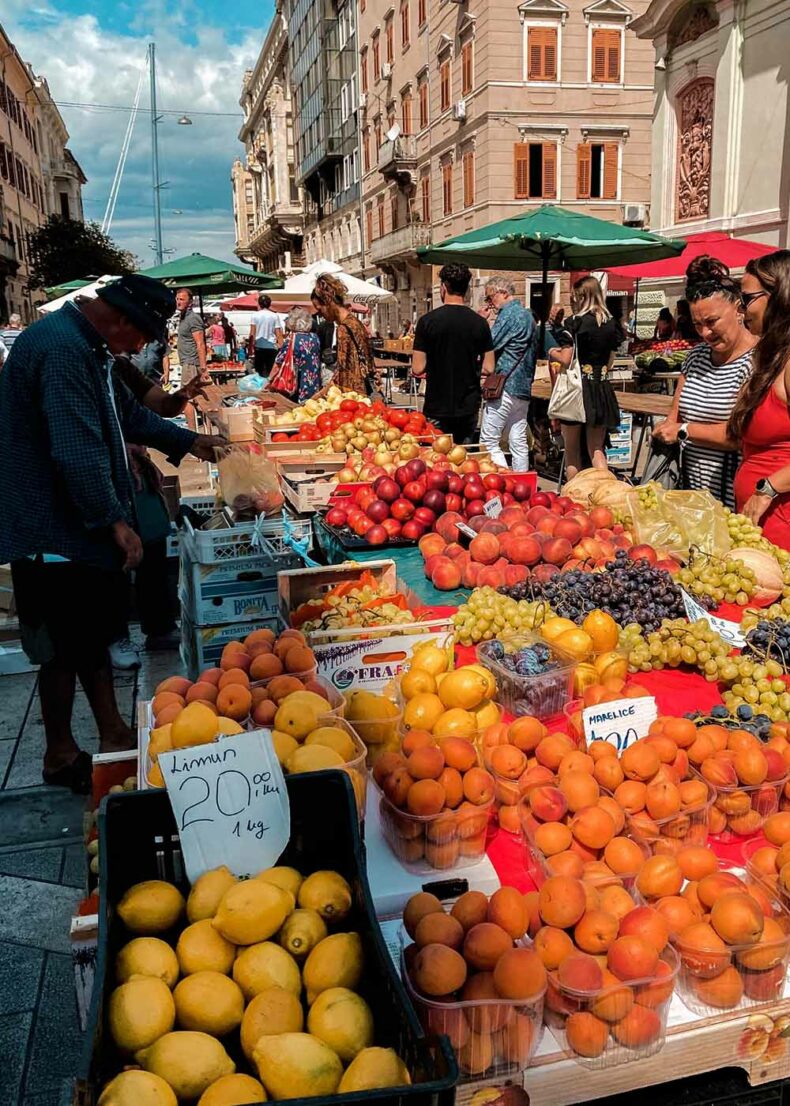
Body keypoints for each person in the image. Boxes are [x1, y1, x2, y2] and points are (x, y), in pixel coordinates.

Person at [0, 275, 225, 793]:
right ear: (121, 320)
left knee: (77, 638)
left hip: (63, 525)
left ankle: (90, 742)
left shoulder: (85, 344)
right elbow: (76, 451)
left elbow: (128, 416)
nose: (143, 347)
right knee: (70, 639)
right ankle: (94, 743)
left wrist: (192, 442)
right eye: (142, 336)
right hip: (52, 527)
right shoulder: (63, 352)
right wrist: (114, 522)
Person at [108, 365, 214, 667]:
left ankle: (159, 627)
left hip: (137, 469)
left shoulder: (121, 369)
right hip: (108, 471)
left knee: (153, 538)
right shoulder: (78, 363)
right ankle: (116, 636)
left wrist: (184, 395)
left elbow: (159, 407)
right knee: (116, 552)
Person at [653, 256, 756, 506]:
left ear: (738, 309)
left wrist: (683, 431)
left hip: (734, 498)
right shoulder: (695, 357)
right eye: (698, 324)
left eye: (712, 322)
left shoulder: (757, 361)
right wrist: (667, 429)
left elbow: (740, 435)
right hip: (689, 495)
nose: (705, 333)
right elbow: (674, 417)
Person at [728, 251, 790, 547]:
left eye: (748, 298)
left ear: (779, 297)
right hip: (760, 532)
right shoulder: (771, 360)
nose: (741, 310)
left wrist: (767, 488)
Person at [411, 263, 495, 443]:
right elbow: (489, 367)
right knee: (464, 461)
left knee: (436, 462)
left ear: (443, 288)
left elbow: (417, 367)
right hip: (468, 404)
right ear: (466, 289)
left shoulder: (427, 322)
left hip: (437, 404)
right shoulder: (480, 323)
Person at [549, 275, 623, 478]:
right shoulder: (611, 323)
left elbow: (565, 359)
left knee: (572, 452)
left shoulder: (575, 323)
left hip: (578, 391)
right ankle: (604, 492)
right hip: (601, 388)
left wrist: (552, 353)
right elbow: (611, 360)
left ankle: (574, 499)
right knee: (597, 449)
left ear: (581, 297)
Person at [479, 277, 536, 472]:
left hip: (504, 386)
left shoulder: (509, 314)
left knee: (488, 441)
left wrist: (481, 322)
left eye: (490, 297)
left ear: (503, 293)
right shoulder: (529, 316)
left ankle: (506, 480)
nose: (489, 303)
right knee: (518, 441)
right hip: (523, 386)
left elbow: (489, 343)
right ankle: (523, 484)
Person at [311, 273, 379, 395]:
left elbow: (342, 373)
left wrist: (318, 396)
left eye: (319, 309)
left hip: (353, 396)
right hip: (363, 392)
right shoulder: (355, 322)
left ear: (328, 302)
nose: (320, 314)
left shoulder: (343, 328)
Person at [268, 307, 322, 403]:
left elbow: (278, 363)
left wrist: (268, 381)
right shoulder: (315, 338)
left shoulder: (292, 338)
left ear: (292, 322)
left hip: (295, 386)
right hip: (313, 385)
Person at [175, 288, 207, 386]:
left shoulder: (193, 318)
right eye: (177, 299)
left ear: (190, 302)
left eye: (182, 299)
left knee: (188, 398)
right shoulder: (183, 317)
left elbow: (200, 344)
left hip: (191, 364)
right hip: (186, 363)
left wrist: (203, 368)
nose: (178, 302)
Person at [249, 294, 283, 377]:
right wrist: (281, 346)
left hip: (259, 346)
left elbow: (252, 333)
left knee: (259, 370)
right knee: (270, 370)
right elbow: (278, 333)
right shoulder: (274, 316)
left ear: (259, 304)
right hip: (271, 346)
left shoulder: (254, 315)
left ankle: (261, 386)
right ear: (269, 304)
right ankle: (269, 385)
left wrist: (250, 347)